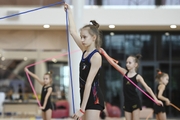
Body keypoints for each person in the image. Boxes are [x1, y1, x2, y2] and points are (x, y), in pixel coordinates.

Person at [64, 3, 104, 120]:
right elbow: (72, 32)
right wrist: (70, 12)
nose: (81, 40)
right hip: (85, 95)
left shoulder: (96, 57)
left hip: (94, 97)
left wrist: (82, 109)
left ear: (94, 38)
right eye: (81, 37)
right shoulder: (84, 51)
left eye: (84, 37)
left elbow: (88, 83)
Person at [99, 48, 163, 120]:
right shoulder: (124, 72)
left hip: (135, 101)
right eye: (126, 62)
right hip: (127, 103)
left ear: (135, 64)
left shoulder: (138, 77)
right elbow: (112, 63)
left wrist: (156, 100)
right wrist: (104, 53)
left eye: (129, 63)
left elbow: (148, 88)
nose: (127, 64)